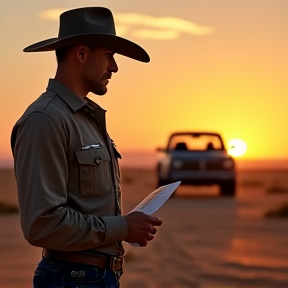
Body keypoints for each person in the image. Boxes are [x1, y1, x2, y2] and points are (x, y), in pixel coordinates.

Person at [11, 7, 163, 288]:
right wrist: (123, 227)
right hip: (72, 279)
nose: (115, 67)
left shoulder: (84, 118)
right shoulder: (44, 120)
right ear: (81, 54)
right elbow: (42, 224)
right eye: (109, 56)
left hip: (95, 278)